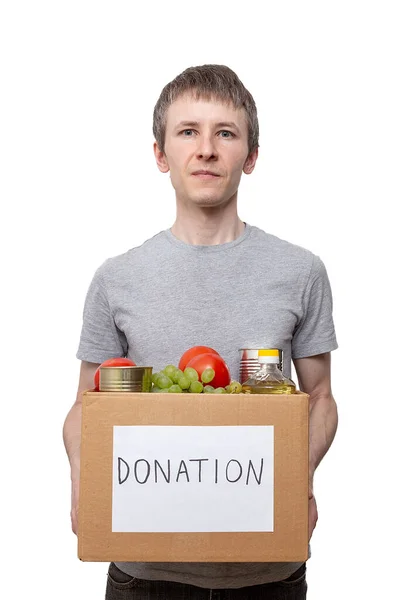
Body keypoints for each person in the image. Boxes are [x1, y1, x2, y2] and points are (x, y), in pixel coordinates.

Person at [63, 64, 338, 599]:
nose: (206, 149)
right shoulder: (115, 279)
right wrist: (83, 480)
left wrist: (298, 475)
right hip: (144, 575)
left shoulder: (301, 272)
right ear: (161, 155)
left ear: (251, 156)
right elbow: (86, 406)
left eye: (226, 133)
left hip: (268, 574)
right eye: (188, 131)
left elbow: (321, 397)